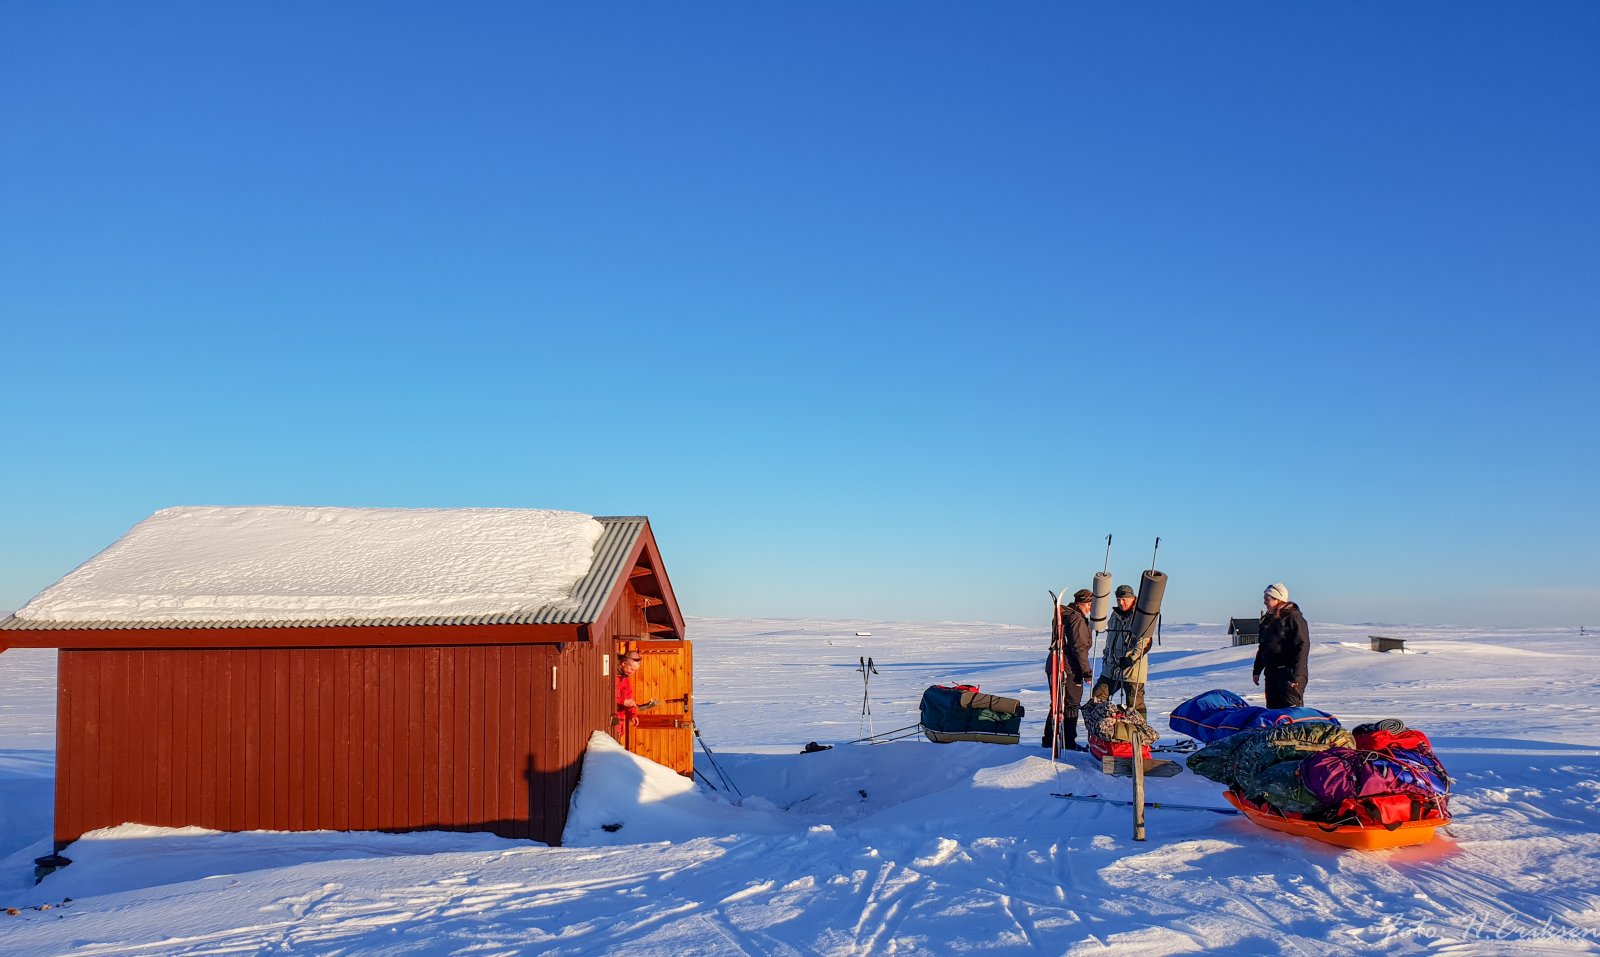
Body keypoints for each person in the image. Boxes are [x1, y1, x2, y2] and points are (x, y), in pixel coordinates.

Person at [1044, 589, 1096, 750]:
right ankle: (1068, 742)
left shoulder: (1064, 615)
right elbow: (1079, 648)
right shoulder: (1076, 619)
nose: (1090, 608)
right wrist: (1086, 672)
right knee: (1071, 704)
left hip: (1055, 664)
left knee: (1058, 703)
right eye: (1088, 604)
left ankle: (1049, 739)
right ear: (1080, 604)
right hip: (1069, 668)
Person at [1092, 583, 1149, 715]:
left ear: (1133, 599)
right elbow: (1109, 641)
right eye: (1118, 600)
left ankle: (1140, 727)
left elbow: (1145, 642)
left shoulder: (1141, 617)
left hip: (1132, 670)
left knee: (1135, 705)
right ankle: (1101, 726)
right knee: (1097, 698)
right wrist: (1106, 658)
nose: (1121, 603)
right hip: (1111, 668)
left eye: (1124, 600)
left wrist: (1131, 659)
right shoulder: (1115, 615)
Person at [1253, 583, 1310, 708]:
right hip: (1271, 673)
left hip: (1289, 675)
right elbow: (1264, 646)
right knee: (1273, 713)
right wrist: (1257, 669)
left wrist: (1296, 676)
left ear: (1278, 599)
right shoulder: (1266, 619)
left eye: (1267, 599)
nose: (1264, 602)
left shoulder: (1293, 617)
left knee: (1290, 713)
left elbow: (1302, 647)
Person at [614, 649, 643, 738]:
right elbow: (605, 696)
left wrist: (632, 715)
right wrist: (623, 701)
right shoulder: (611, 675)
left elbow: (628, 698)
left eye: (634, 670)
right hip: (607, 718)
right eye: (631, 669)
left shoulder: (625, 679)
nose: (632, 673)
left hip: (618, 722)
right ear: (623, 663)